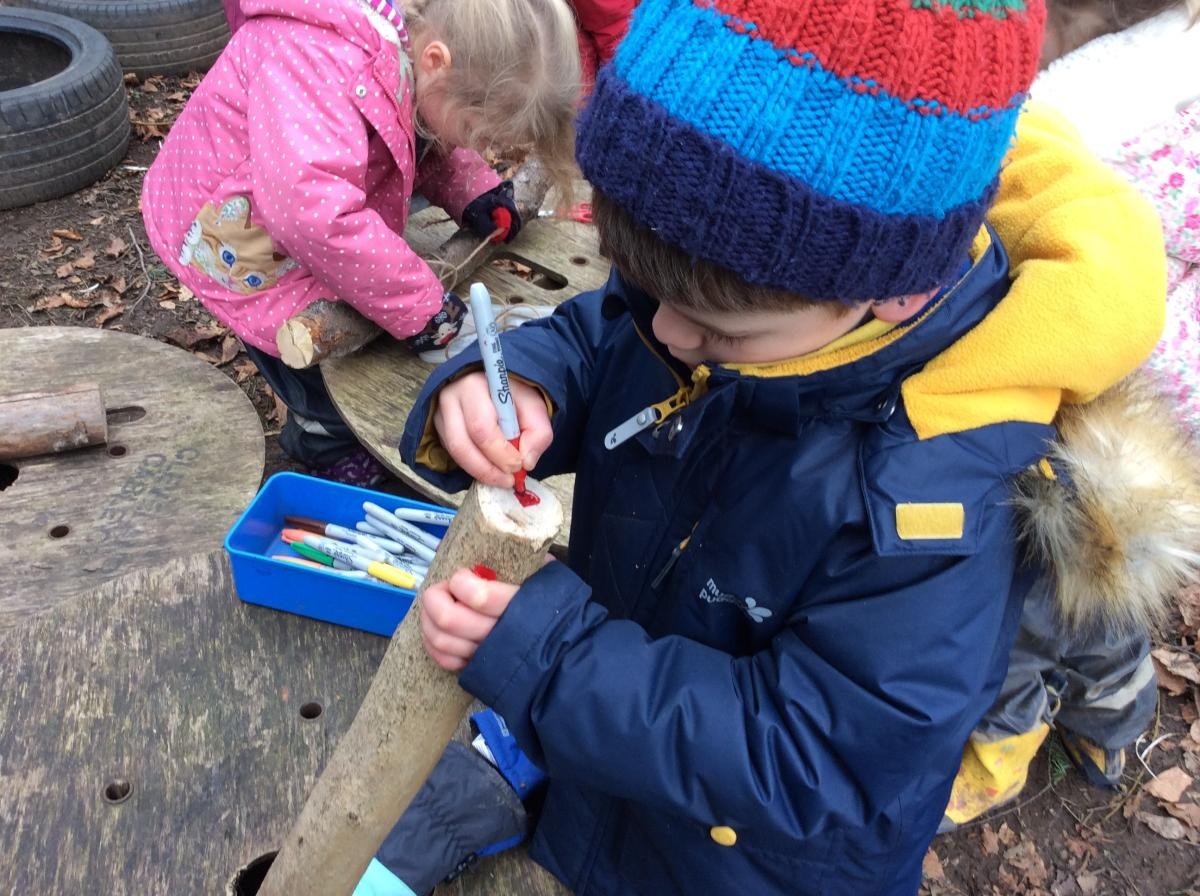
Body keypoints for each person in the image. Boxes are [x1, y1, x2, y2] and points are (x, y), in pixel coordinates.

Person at [372, 1, 1182, 894]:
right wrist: (533, 376)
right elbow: (615, 327)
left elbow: (814, 757)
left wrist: (558, 661)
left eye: (717, 331)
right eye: (641, 282)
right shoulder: (739, 298)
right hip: (612, 761)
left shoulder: (939, 500)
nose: (668, 335)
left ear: (898, 293)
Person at [943, 0, 1200, 830]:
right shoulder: (1155, 53)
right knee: (1099, 597)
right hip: (1070, 359)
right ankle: (1117, 713)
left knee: (1023, 611)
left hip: (1114, 410)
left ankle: (1001, 745)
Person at [143, 0, 580, 485]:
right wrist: (421, 305)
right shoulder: (312, 60)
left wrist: (474, 193)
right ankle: (322, 443)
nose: (481, 145)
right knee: (304, 366)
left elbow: (422, 133)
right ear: (435, 61)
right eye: (477, 131)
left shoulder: (414, 60)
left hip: (294, 216)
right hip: (239, 233)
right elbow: (314, 215)